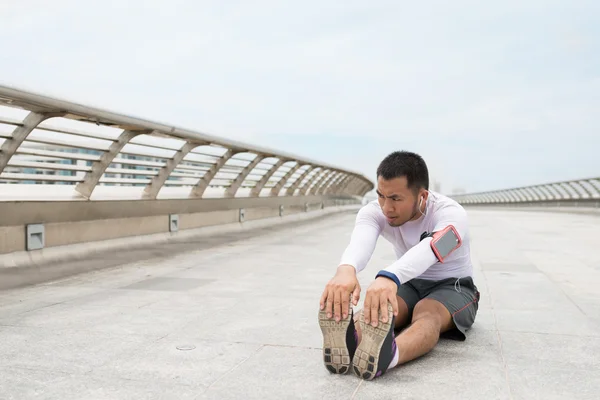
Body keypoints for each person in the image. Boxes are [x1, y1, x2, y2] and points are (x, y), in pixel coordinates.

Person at [318, 150, 480, 380]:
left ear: (422, 195)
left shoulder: (452, 215)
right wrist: (347, 268)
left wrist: (389, 277)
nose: (386, 207)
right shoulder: (375, 211)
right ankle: (352, 339)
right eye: (381, 196)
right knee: (381, 309)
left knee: (427, 313)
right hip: (411, 282)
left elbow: (432, 248)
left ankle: (390, 355)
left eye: (395, 198)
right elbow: (361, 239)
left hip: (453, 286)